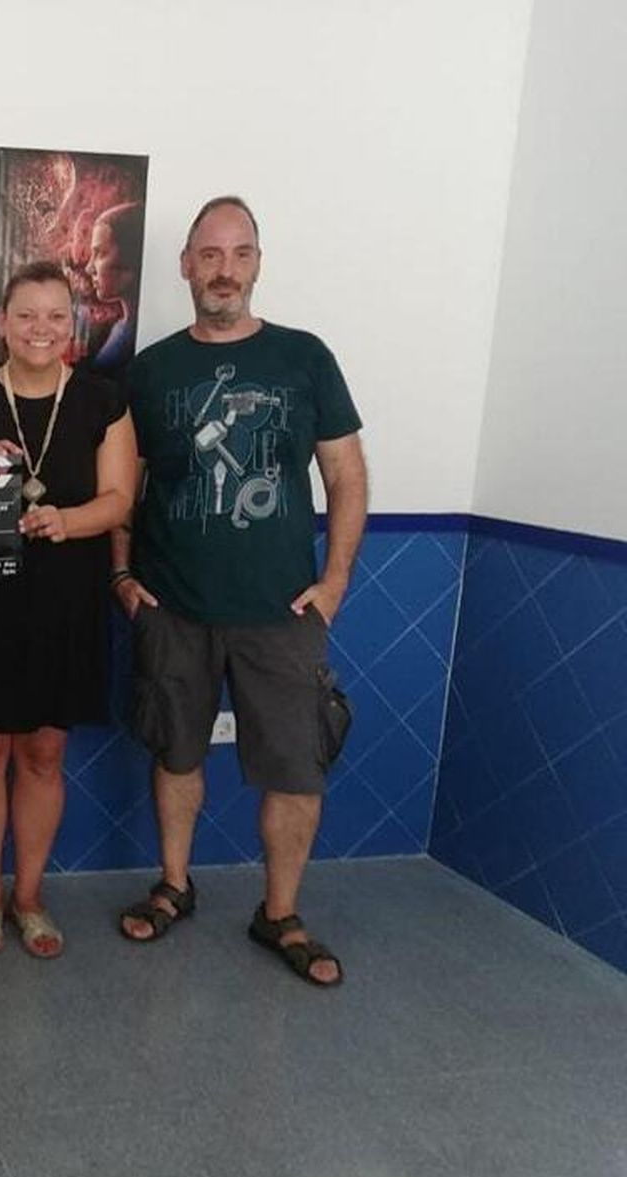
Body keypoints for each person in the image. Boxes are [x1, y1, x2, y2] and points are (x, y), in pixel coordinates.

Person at [112, 196, 368, 986]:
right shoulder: (150, 369)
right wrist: (123, 574)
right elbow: (125, 484)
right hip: (173, 604)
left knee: (296, 769)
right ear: (186, 265)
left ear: (258, 262)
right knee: (177, 754)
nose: (225, 270)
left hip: (282, 612)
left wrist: (335, 581)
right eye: (210, 255)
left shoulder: (305, 357)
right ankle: (175, 886)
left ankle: (279, 913)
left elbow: (346, 474)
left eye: (241, 253)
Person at [0, 261, 137, 957]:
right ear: (2, 324)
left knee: (45, 752)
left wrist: (65, 523)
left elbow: (119, 501)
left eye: (55, 316)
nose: (40, 329)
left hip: (67, 599)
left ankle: (30, 896)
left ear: (73, 325)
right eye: (26, 315)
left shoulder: (104, 399)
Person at [87, 201, 143, 371]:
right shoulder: (120, 329)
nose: (89, 268)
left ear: (131, 255)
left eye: (101, 253)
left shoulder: (132, 338)